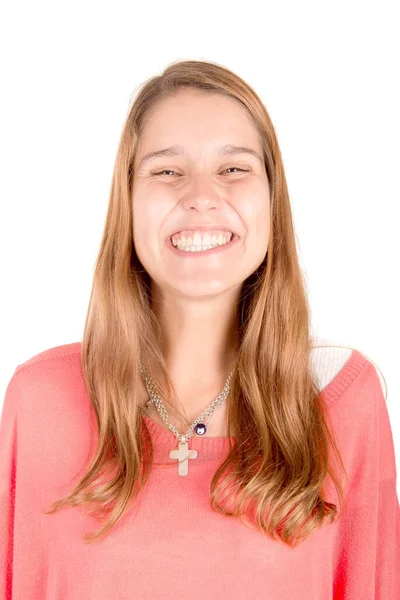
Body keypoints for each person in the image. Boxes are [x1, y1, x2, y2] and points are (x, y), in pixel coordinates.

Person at [1, 59, 399, 599]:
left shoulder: (342, 400)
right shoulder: (40, 400)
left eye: (233, 169)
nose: (202, 195)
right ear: (128, 202)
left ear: (272, 201)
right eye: (167, 171)